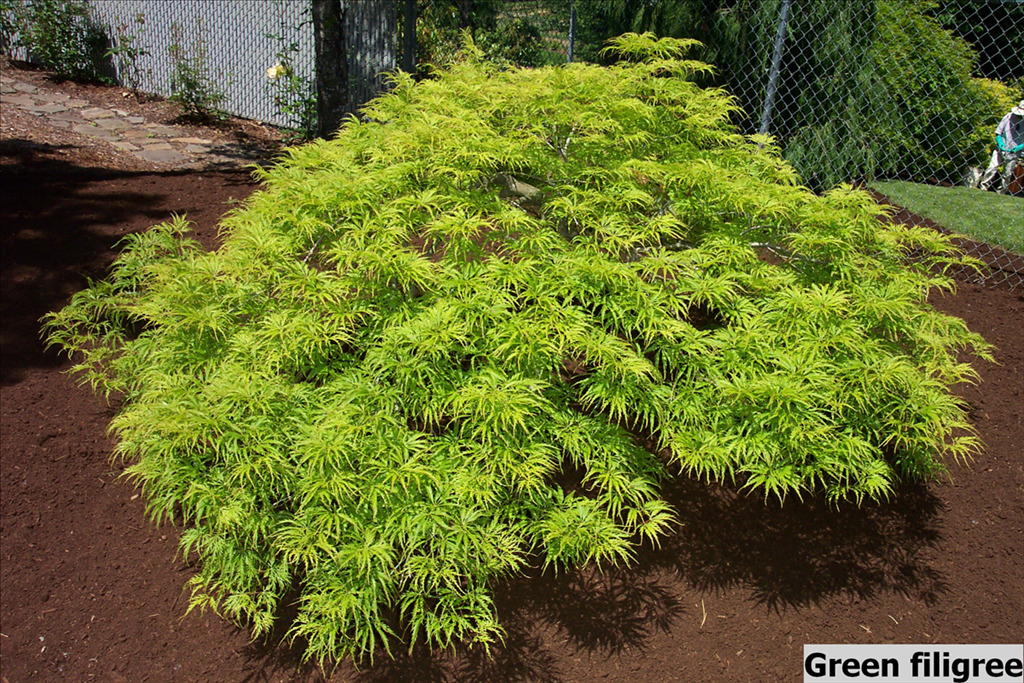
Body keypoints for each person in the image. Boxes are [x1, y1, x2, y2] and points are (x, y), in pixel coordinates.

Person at [980, 100, 1024, 193]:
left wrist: (1020, 147)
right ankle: (983, 186)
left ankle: (1001, 191)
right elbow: (998, 132)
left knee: (1007, 173)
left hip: (1014, 152)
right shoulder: (1008, 117)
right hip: (1001, 148)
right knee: (992, 167)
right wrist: (1000, 142)